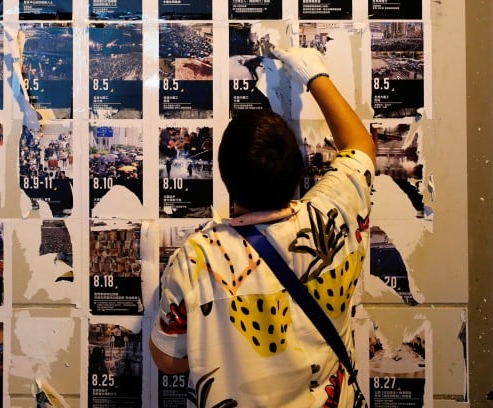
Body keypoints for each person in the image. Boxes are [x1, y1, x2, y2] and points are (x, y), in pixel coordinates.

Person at [150, 46, 375, 407]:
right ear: (298, 170)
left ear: (223, 177)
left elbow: (169, 361)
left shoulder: (198, 258)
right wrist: (314, 74)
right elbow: (360, 146)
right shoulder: (334, 215)